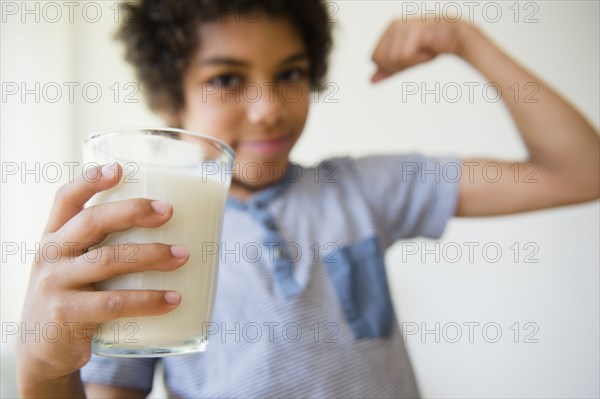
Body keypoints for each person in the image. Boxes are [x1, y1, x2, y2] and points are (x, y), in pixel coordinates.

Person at [17, 0, 599, 397]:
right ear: (172, 98)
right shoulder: (147, 239)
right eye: (226, 79)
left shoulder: (361, 191)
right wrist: (41, 369)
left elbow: (581, 171)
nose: (269, 106)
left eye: (290, 73)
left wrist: (467, 41)